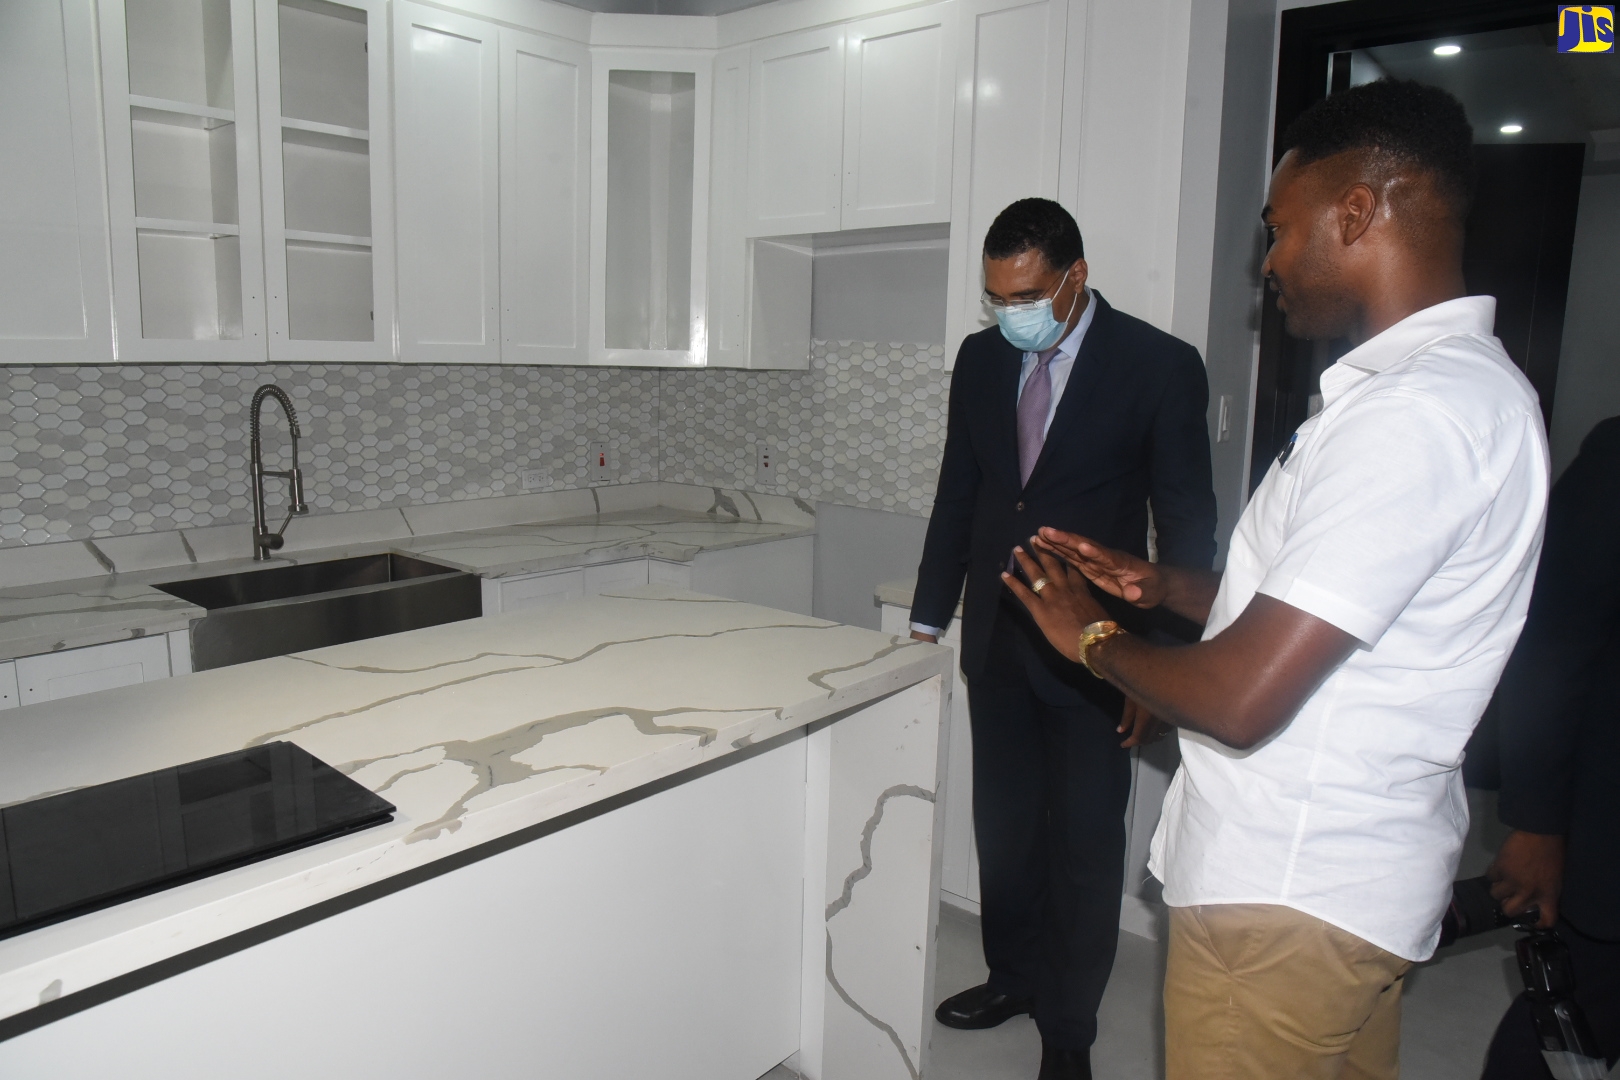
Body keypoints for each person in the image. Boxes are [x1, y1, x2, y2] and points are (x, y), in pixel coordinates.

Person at [999, 79, 1547, 1079]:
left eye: (1281, 231)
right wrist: (1166, 590)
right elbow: (1336, 608)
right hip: (1343, 894)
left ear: (1355, 214)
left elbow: (1242, 700)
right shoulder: (1450, 395)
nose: (1269, 264)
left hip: (1287, 905)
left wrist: (1090, 634)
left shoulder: (1413, 419)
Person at [910, 197, 1217, 1080]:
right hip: (997, 641)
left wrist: (1156, 669)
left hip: (1097, 652)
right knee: (1004, 825)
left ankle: (1069, 1032)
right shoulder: (979, 360)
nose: (1011, 313)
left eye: (1027, 295)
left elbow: (1185, 531)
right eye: (996, 296)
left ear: (1074, 279)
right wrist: (928, 622)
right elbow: (959, 496)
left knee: (1084, 842)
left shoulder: (1159, 366)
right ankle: (1012, 976)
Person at [1480, 416, 1620, 1078]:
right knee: (1561, 1033)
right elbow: (1550, 647)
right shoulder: (1618, 456)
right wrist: (1537, 825)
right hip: (1608, 836)